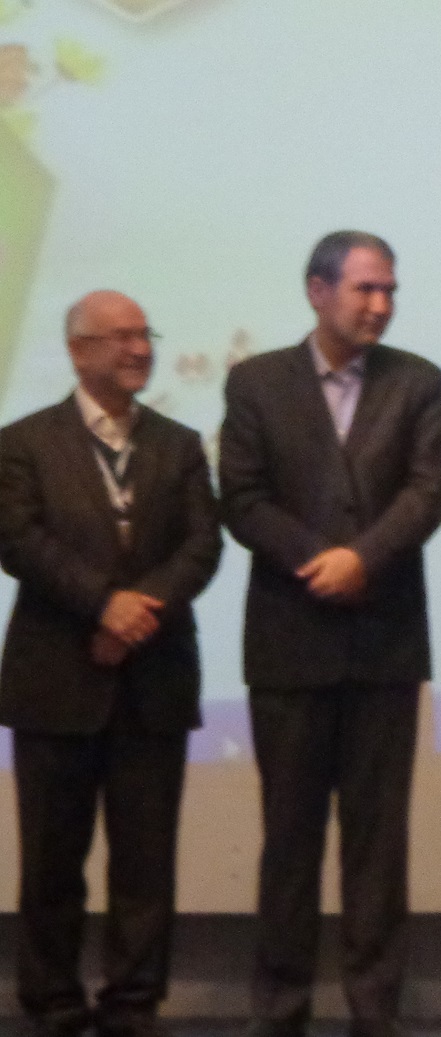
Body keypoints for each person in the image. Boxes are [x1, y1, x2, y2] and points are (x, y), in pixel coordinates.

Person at [219, 231, 441, 1037]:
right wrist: (320, 559)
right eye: (365, 289)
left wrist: (365, 558)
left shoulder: (417, 380)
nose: (381, 305)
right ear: (318, 291)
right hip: (290, 639)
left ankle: (374, 1010)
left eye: (390, 290)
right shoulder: (256, 381)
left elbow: (428, 491)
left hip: (385, 644)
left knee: (377, 844)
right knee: (289, 840)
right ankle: (280, 1008)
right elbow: (242, 497)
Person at [0, 291, 222, 1037]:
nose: (140, 349)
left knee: (145, 864)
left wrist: (135, 615)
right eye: (121, 336)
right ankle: (53, 1001)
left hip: (153, 682)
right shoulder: (22, 443)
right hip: (54, 680)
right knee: (51, 863)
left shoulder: (179, 443)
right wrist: (102, 605)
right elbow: (19, 541)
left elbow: (202, 545)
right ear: (78, 350)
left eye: (144, 334)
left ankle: (133, 1003)